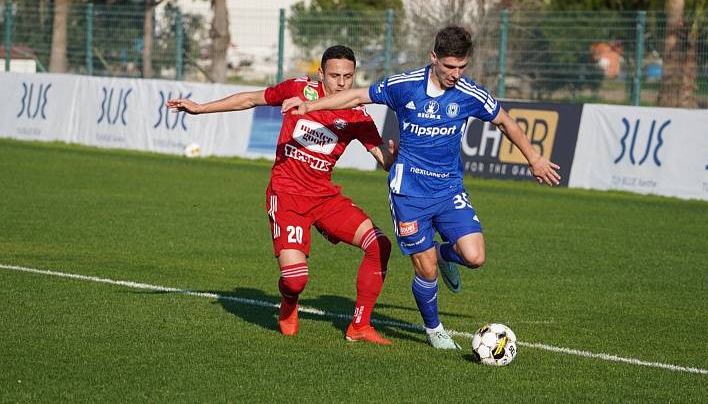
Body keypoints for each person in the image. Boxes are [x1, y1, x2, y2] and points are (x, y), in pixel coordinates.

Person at [283, 26, 561, 349]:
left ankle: (444, 254)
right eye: (449, 67)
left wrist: (534, 158)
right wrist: (310, 106)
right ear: (433, 58)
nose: (455, 74)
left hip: (449, 190)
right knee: (424, 269)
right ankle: (434, 329)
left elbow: (505, 121)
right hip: (409, 193)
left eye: (462, 67)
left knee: (475, 256)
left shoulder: (470, 94)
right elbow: (358, 95)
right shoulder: (405, 86)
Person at [168, 45, 397, 345]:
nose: (342, 83)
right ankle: (289, 303)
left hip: (324, 197)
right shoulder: (297, 90)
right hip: (286, 195)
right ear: (320, 73)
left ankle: (359, 326)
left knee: (379, 245)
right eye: (335, 75)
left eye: (348, 76)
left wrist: (394, 154)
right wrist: (200, 108)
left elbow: (384, 162)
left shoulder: (356, 114)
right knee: (295, 279)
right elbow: (249, 99)